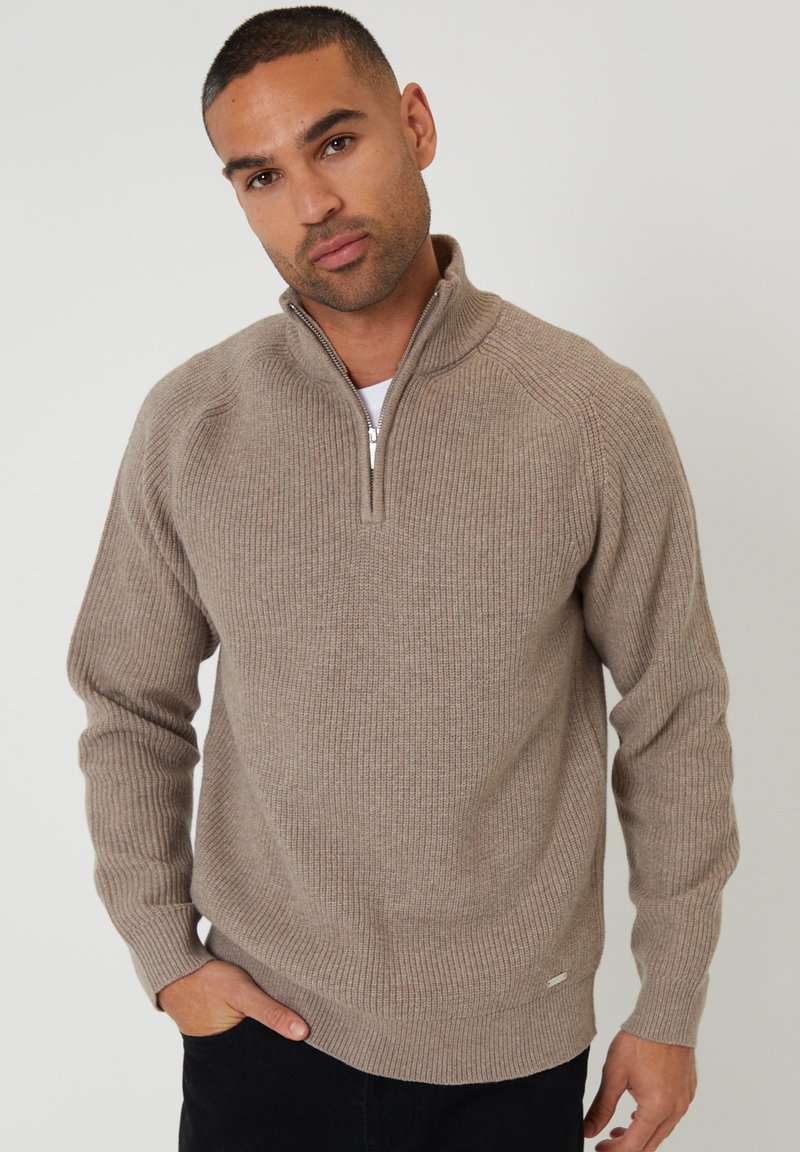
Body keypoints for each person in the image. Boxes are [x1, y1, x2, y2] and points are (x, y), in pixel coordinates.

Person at [66, 7, 739, 1151]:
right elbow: (128, 700)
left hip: (512, 1058)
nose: (310, 204)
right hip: (261, 1041)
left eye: (335, 143)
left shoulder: (588, 414)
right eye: (260, 176)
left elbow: (674, 712)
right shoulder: (192, 421)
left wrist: (667, 1003)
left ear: (415, 124)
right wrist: (165, 955)